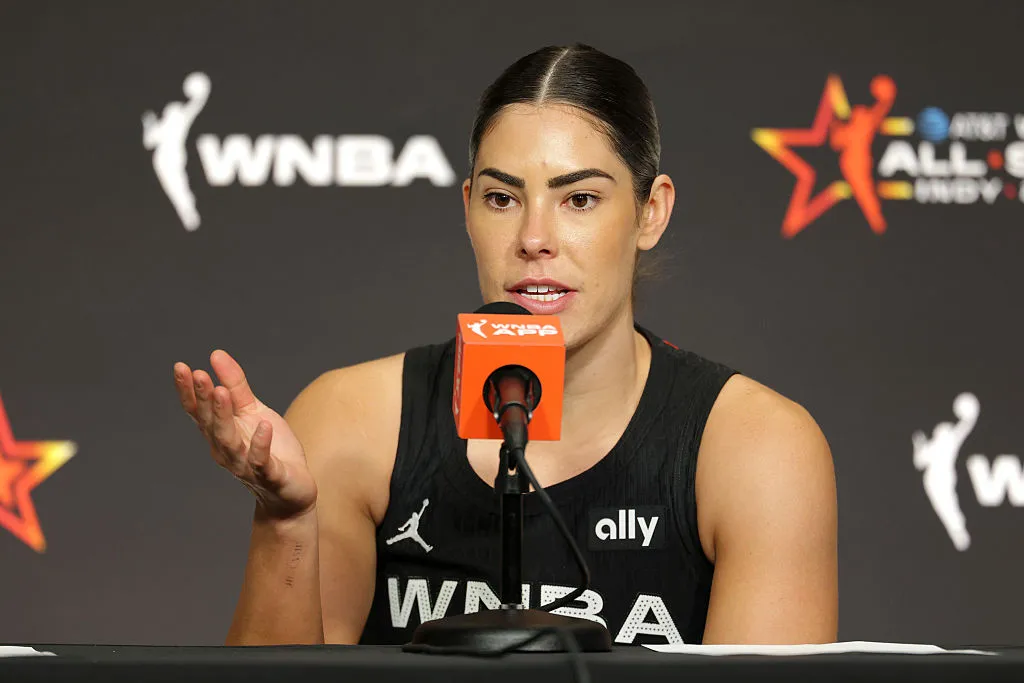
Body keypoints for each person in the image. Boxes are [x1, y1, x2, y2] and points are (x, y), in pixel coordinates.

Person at [173, 44, 837, 646]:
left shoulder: (756, 448)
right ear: (467, 209)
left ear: (651, 212)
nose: (534, 238)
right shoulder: (352, 419)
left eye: (579, 199)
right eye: (501, 197)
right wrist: (286, 519)